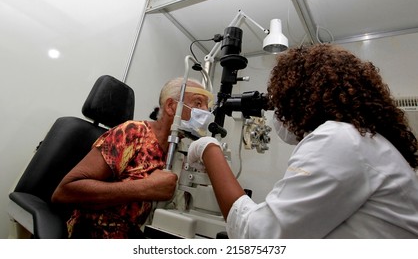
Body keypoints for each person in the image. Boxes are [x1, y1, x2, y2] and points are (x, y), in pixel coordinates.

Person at [187, 44, 418, 238]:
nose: (277, 113)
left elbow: (259, 237)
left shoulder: (340, 138)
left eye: (279, 103)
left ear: (300, 99)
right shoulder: (364, 139)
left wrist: (209, 149)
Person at [52, 77, 212, 238]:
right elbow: (64, 192)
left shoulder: (182, 152)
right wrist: (145, 188)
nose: (206, 111)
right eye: (198, 103)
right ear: (171, 107)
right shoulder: (133, 133)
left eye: (207, 106)